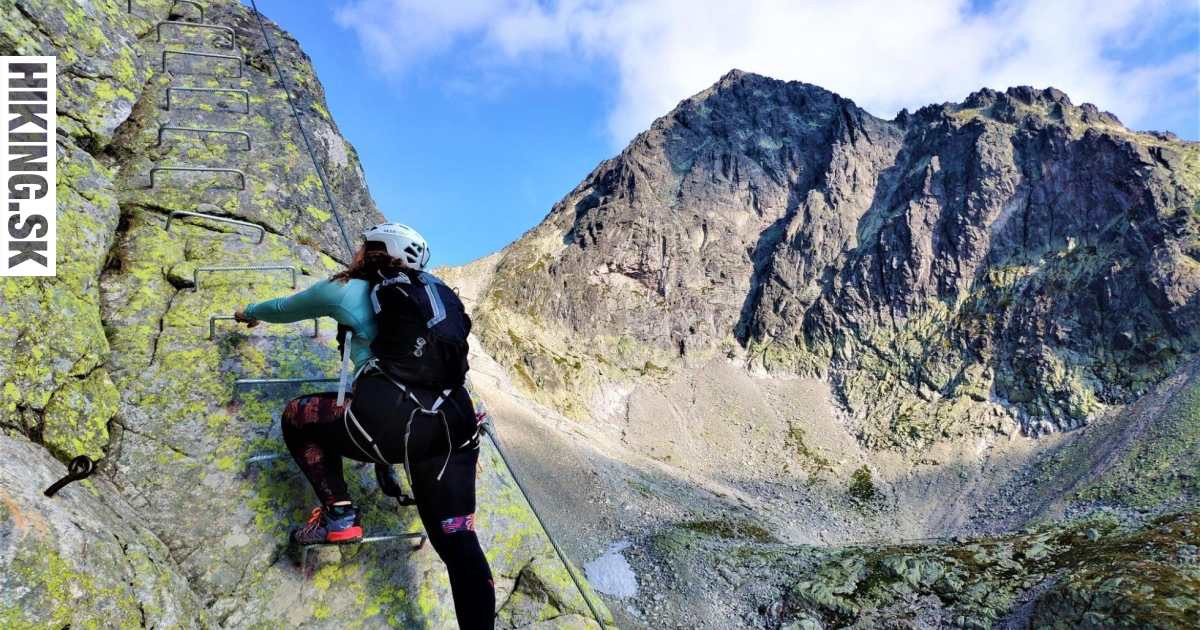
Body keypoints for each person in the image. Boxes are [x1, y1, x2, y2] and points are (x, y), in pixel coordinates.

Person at [233, 223, 495, 629]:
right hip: (454, 428)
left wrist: (247, 313)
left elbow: (285, 308)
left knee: (296, 416)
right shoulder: (435, 292)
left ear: (374, 250)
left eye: (361, 247)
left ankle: (338, 513)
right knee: (459, 541)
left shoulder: (347, 289)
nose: (355, 253)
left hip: (389, 422)